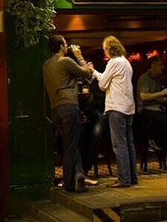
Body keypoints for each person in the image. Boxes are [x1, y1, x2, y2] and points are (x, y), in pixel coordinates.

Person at [43, 34, 91, 193]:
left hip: (55, 109)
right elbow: (86, 73)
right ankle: (69, 183)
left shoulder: (46, 65)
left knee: (69, 143)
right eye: (65, 44)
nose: (67, 46)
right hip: (68, 106)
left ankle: (78, 174)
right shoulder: (65, 61)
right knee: (71, 145)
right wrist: (79, 56)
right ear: (61, 46)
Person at [91, 36, 137, 188]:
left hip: (116, 106)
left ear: (110, 48)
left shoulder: (113, 62)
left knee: (119, 145)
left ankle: (124, 179)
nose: (104, 51)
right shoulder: (126, 62)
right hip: (129, 107)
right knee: (129, 143)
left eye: (104, 48)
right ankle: (132, 177)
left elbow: (103, 84)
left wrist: (93, 72)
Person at [135, 56, 167, 163]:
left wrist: (164, 100)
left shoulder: (157, 79)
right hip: (145, 110)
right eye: (160, 65)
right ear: (153, 65)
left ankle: (160, 143)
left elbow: (155, 96)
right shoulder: (145, 78)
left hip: (156, 108)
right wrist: (161, 94)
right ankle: (152, 139)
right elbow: (143, 96)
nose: (162, 67)